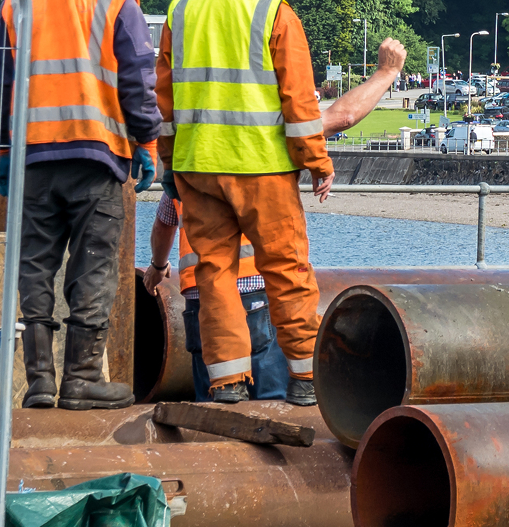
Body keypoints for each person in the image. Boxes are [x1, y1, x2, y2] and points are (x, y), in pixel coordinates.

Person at [142, 36, 407, 398]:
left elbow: (165, 220)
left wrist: (157, 267)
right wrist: (386, 72)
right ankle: (301, 389)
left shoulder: (190, 155)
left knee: (215, 406)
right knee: (271, 403)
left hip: (202, 300)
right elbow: (341, 116)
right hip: (257, 292)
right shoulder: (271, 137)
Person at [0, 0, 161, 410]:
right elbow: (137, 78)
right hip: (97, 159)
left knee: (34, 265)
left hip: (34, 159)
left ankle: (39, 381)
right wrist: (146, 142)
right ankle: (82, 379)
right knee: (94, 268)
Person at [156, 0, 333, 407]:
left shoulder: (180, 13)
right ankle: (306, 378)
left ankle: (228, 382)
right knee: (287, 270)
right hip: (262, 168)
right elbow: (299, 104)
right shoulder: (275, 13)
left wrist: (170, 167)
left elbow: (164, 104)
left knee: (213, 275)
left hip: (197, 167)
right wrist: (317, 163)